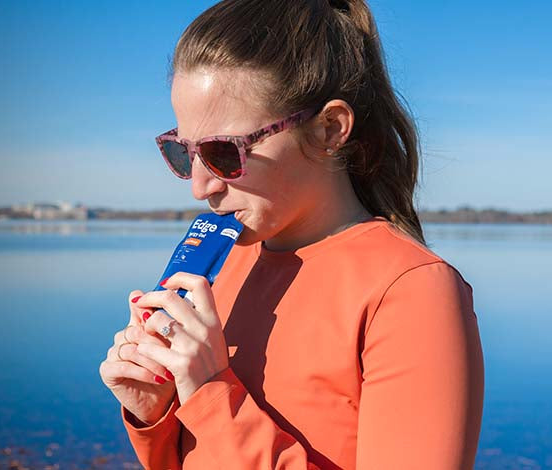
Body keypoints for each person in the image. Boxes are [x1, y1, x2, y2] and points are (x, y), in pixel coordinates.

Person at [98, 0, 484, 468]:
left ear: (329, 129)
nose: (201, 186)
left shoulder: (410, 290)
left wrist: (211, 395)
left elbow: (222, 426)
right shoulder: (227, 263)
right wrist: (155, 414)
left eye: (224, 151)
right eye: (185, 152)